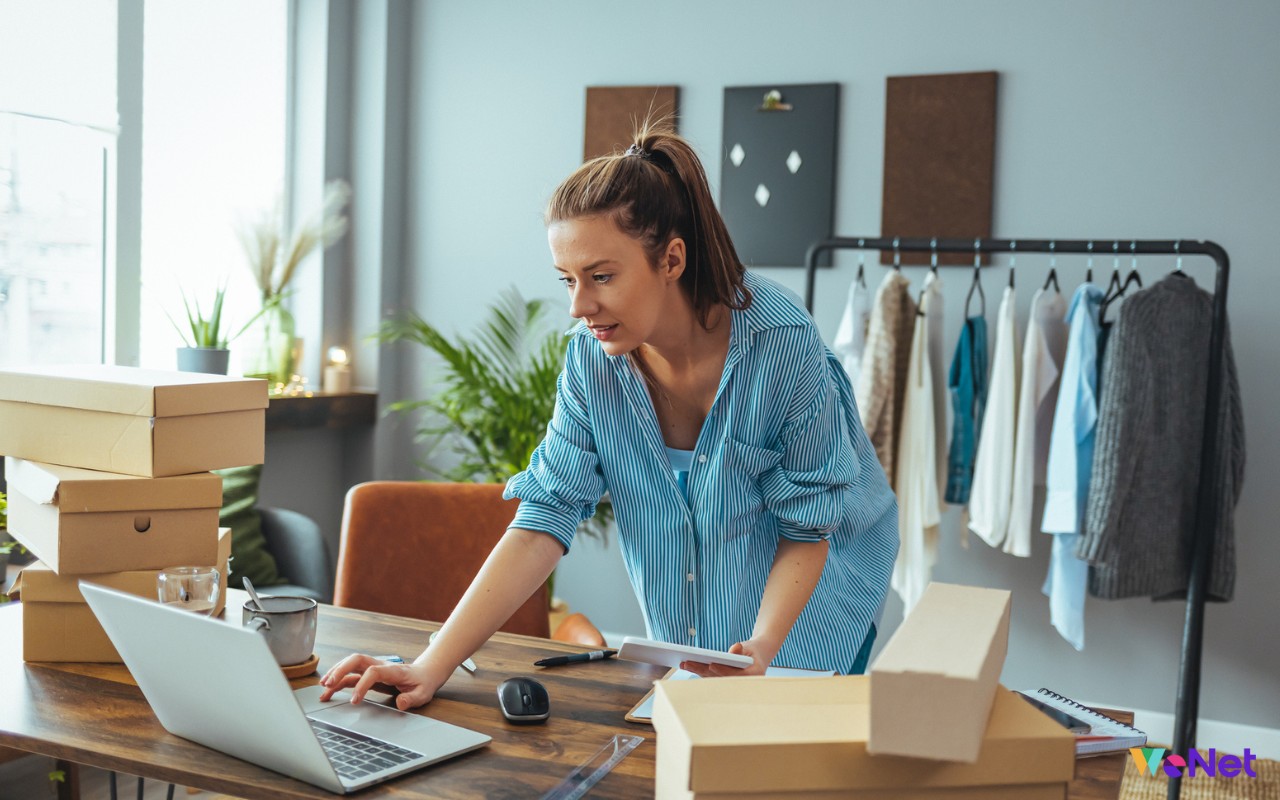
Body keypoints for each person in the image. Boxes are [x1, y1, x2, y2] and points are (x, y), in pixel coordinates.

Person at [320, 124, 898, 711]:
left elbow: (807, 529)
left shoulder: (781, 344)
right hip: (698, 634)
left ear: (672, 258)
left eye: (601, 276)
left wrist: (763, 649)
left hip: (815, 607)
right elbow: (545, 517)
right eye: (567, 280)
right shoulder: (591, 361)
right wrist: (429, 664)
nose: (579, 306)